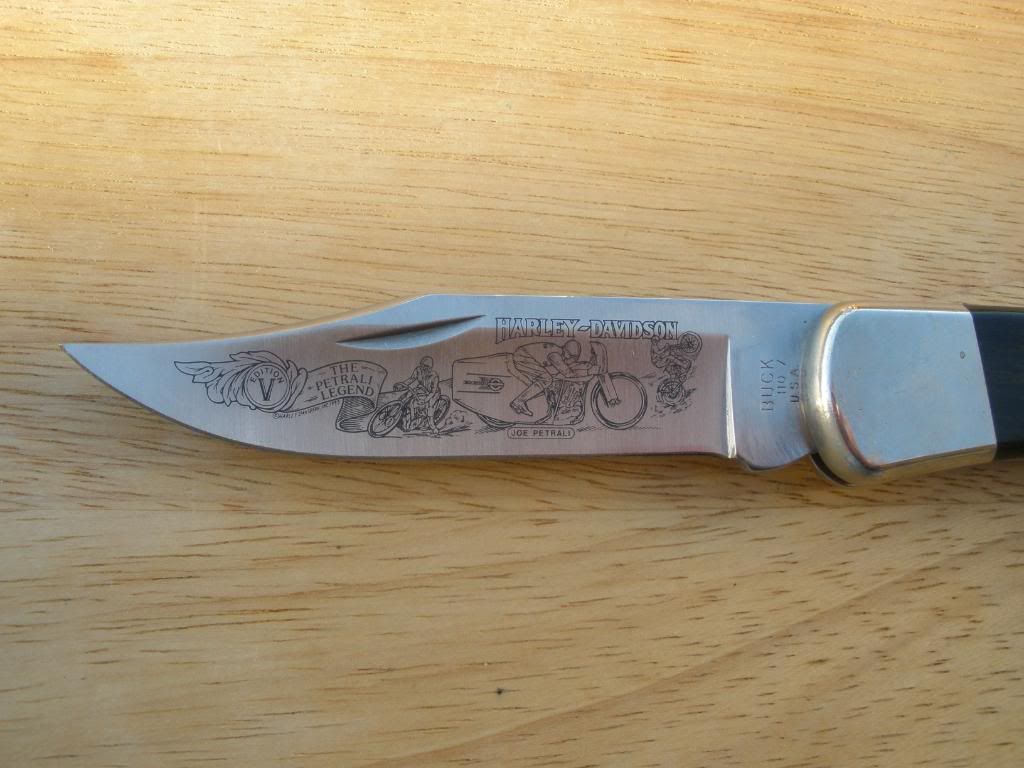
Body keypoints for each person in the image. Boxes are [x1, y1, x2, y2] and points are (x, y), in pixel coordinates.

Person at [509, 340, 596, 417]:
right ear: (566, 352)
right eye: (571, 357)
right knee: (546, 379)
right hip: (523, 356)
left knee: (547, 378)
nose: (571, 360)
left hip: (525, 355)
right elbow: (568, 373)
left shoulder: (558, 352)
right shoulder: (555, 355)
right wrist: (588, 371)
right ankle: (518, 401)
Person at [394, 356, 441, 434]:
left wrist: (425, 400)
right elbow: (411, 379)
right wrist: (402, 385)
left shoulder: (434, 376)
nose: (422, 368)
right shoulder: (418, 370)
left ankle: (432, 426)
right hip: (422, 389)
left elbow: (433, 391)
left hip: (433, 393)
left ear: (429, 367)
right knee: (407, 397)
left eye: (425, 366)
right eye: (422, 365)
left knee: (430, 406)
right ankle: (409, 417)